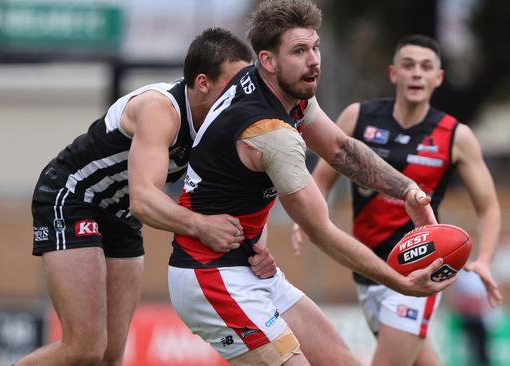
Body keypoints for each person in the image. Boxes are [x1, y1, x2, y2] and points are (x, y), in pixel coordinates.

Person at [167, 2, 456, 365]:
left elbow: (339, 148)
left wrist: (407, 190)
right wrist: (401, 282)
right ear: (268, 60)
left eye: (315, 47)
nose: (314, 61)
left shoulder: (279, 89)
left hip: (250, 267)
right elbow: (320, 230)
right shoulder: (272, 133)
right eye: (299, 51)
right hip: (209, 276)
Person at [19, 28, 277, 366]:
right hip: (72, 197)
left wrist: (259, 247)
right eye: (234, 86)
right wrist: (200, 225)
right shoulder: (161, 109)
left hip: (122, 214)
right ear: (202, 83)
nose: (241, 97)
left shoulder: (223, 127)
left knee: (111, 355)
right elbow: (144, 198)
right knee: (84, 348)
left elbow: (242, 198)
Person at [292, 34, 503, 365]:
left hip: (420, 268)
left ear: (438, 78)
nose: (416, 73)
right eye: (408, 65)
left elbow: (488, 207)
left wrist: (485, 259)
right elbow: (321, 178)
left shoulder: (455, 135)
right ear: (394, 74)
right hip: (367, 267)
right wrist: (305, 216)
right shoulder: (358, 118)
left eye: (425, 67)